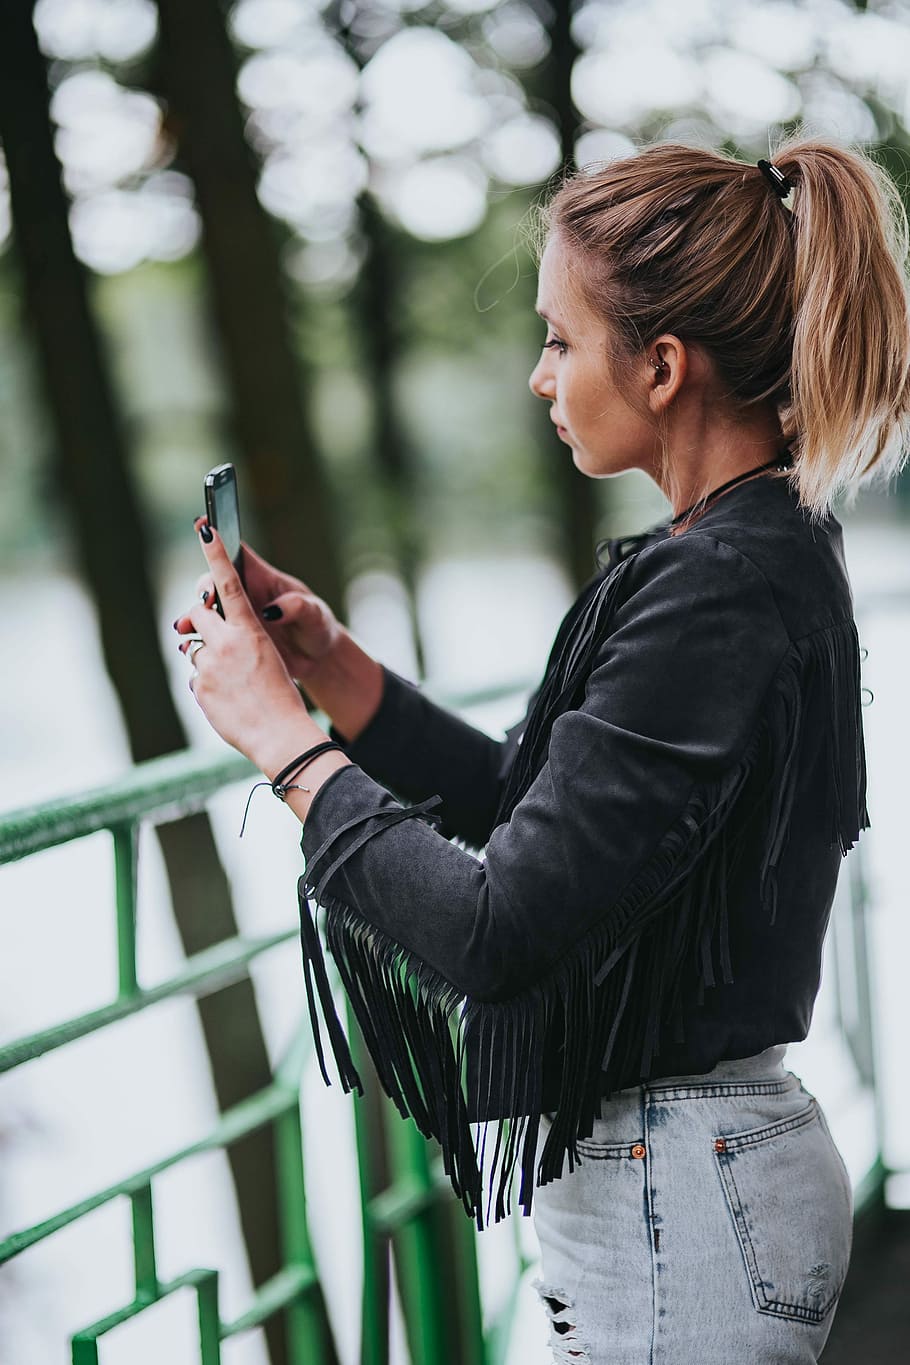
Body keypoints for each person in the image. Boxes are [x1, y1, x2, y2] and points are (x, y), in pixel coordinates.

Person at [176, 139, 910, 1364]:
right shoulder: (746, 549)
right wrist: (336, 674)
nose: (537, 375)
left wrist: (284, 748)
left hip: (685, 1211)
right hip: (691, 1191)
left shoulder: (717, 588)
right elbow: (538, 812)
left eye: (561, 340)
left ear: (662, 367)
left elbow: (497, 931)